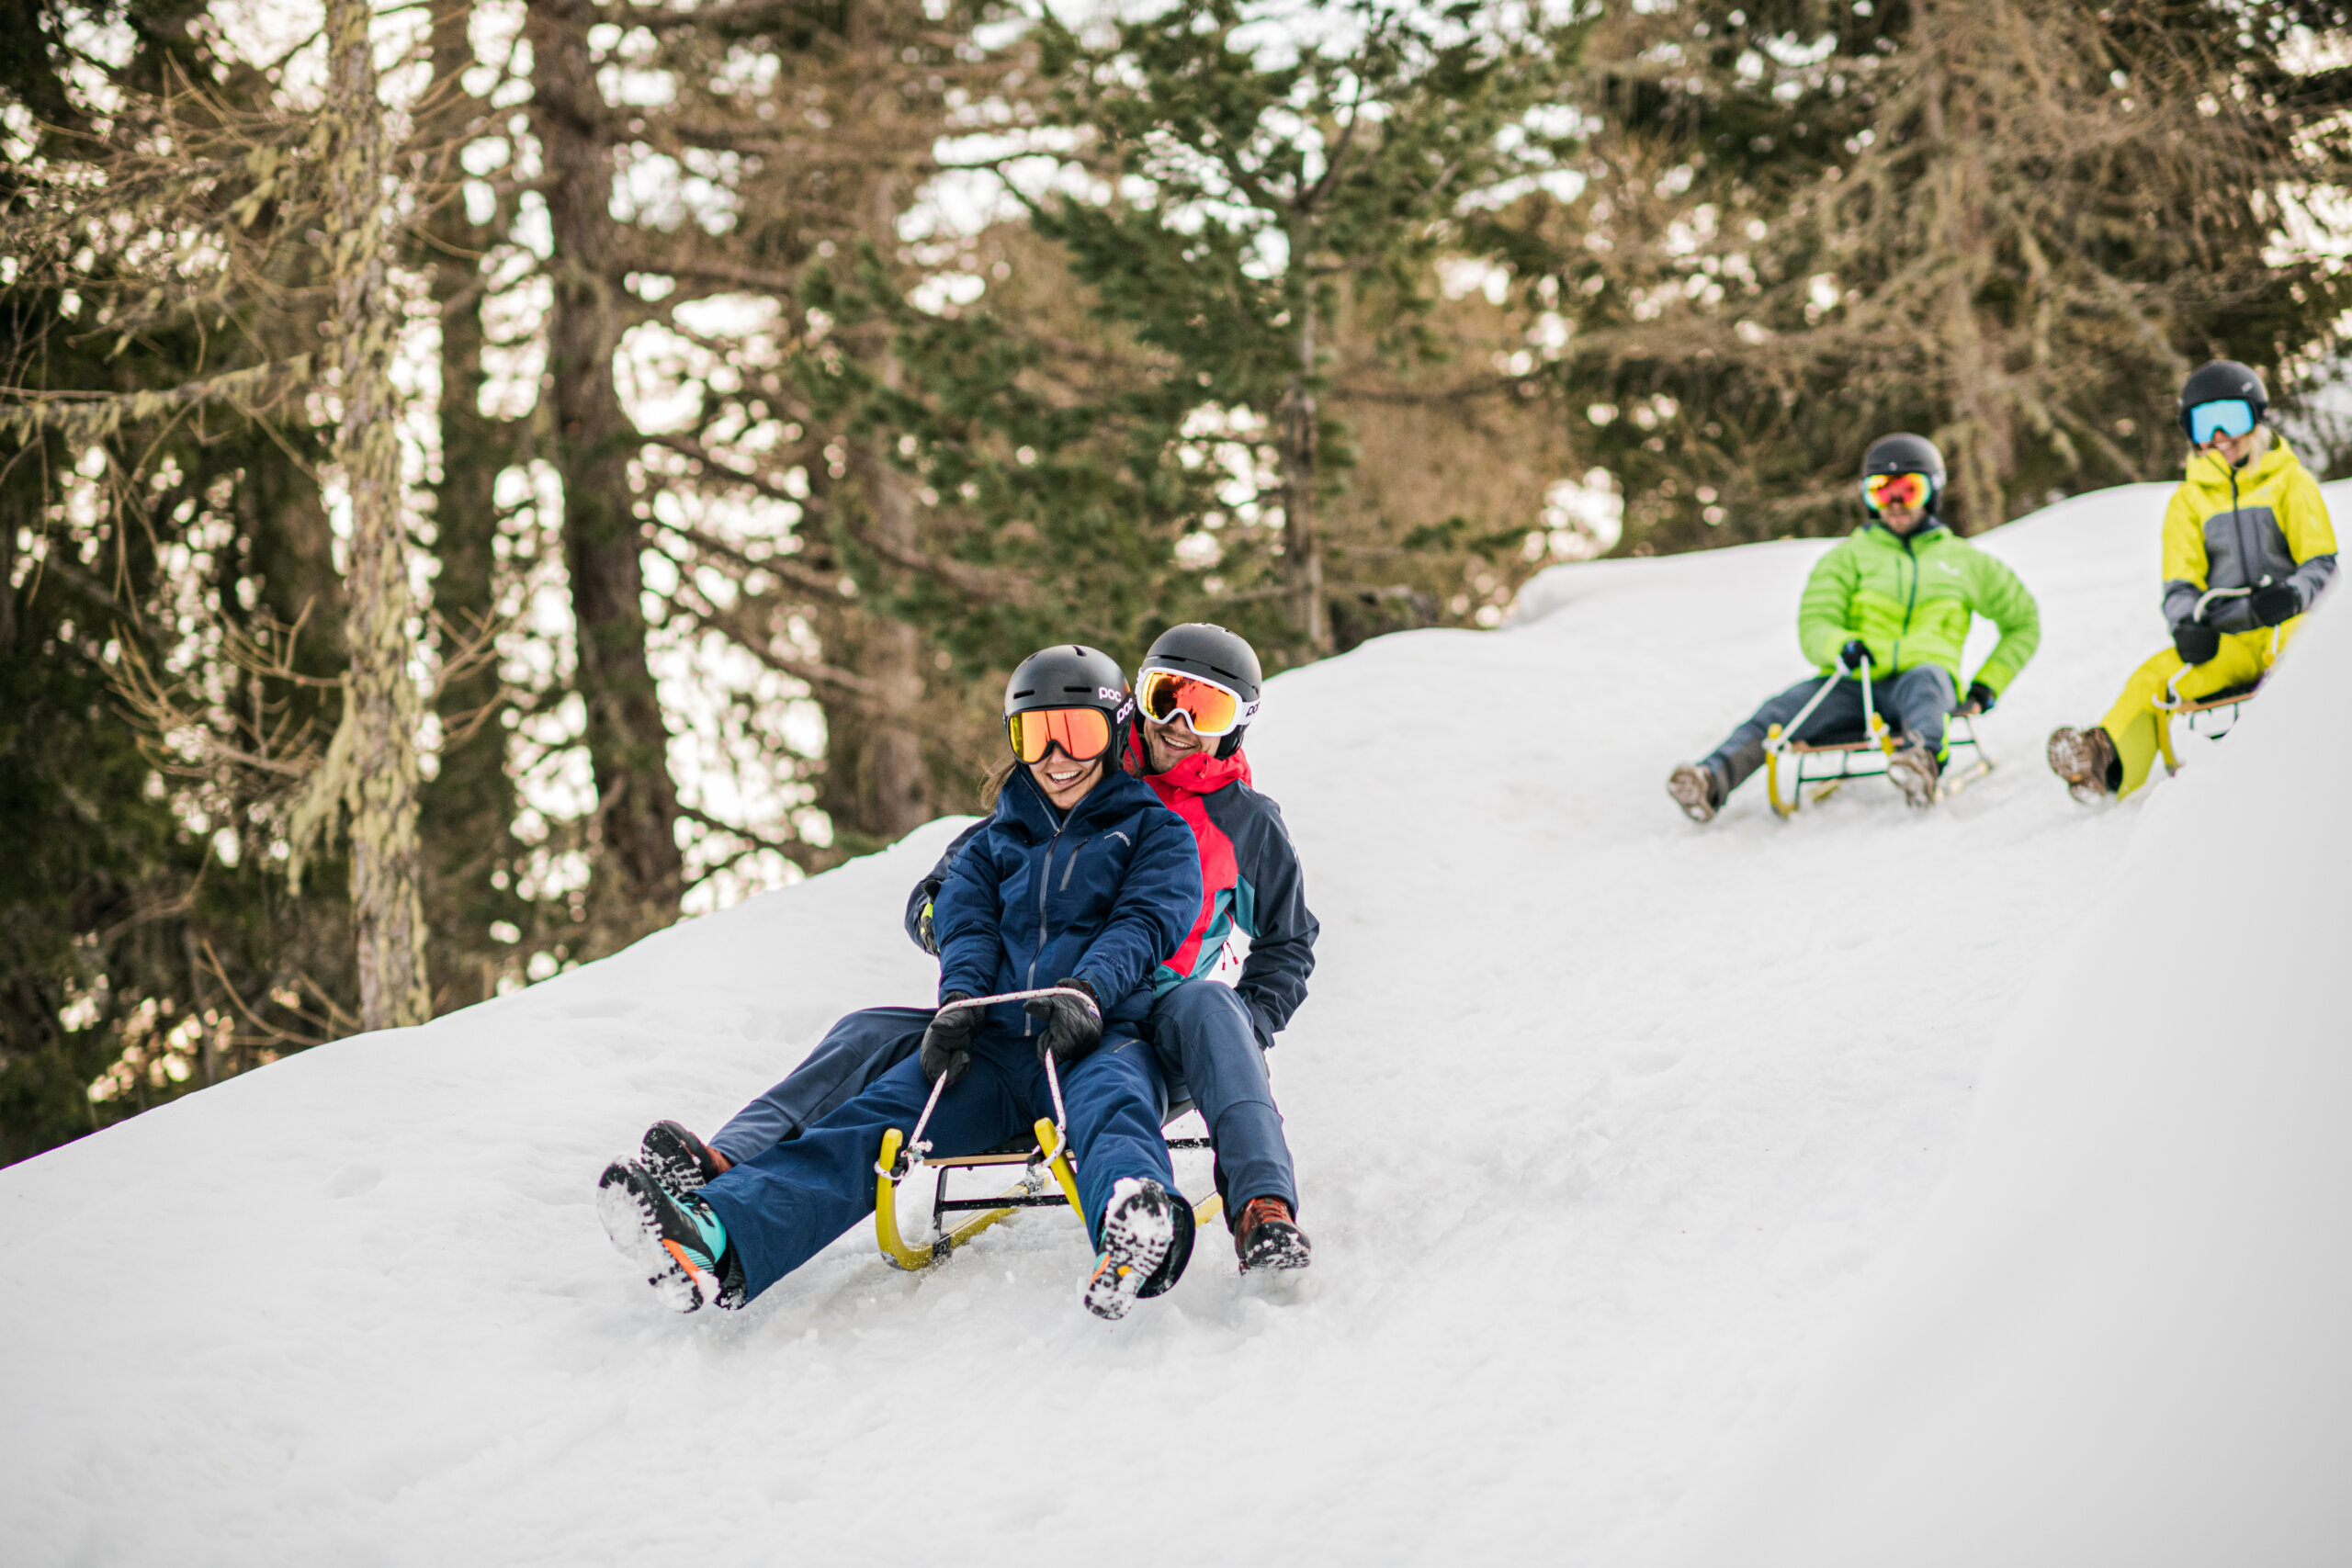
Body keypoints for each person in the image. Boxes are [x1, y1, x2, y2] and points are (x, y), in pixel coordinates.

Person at [637, 624, 1321, 1274]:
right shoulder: (1065, 783)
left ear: (1238, 720)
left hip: (1145, 1020)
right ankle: (729, 1169)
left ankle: (1254, 1204)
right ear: (1134, 701)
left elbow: (1261, 940)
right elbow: (952, 886)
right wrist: (962, 960)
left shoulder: (1228, 824)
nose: (1180, 722)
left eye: (1207, 708)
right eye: (1168, 697)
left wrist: (1245, 1026)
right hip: (1015, 1015)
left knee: (1201, 1013)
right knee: (868, 1034)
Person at [1667, 433, 2041, 819]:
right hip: (1854, 682)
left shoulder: (1967, 561)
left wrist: (1986, 685)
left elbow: (2023, 622)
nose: (1894, 504)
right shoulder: (1847, 558)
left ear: (1932, 492)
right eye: (1881, 491)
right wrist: (1840, 645)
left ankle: (1921, 765)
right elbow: (1815, 623)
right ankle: (1709, 780)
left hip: (1923, 680)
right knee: (1782, 709)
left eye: (1907, 490)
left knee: (1927, 682)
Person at [2048, 360, 2337, 803]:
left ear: (2255, 418)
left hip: (2286, 623)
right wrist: (2187, 625)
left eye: (2231, 418)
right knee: (2155, 676)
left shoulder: (2290, 483)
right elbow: (2180, 584)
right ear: (2192, 433)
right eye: (2206, 423)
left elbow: (2321, 562)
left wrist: (2293, 595)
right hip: (2230, 640)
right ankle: (2104, 762)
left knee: (2304, 653)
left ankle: (2321, 737)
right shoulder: (2187, 502)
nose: (2220, 435)